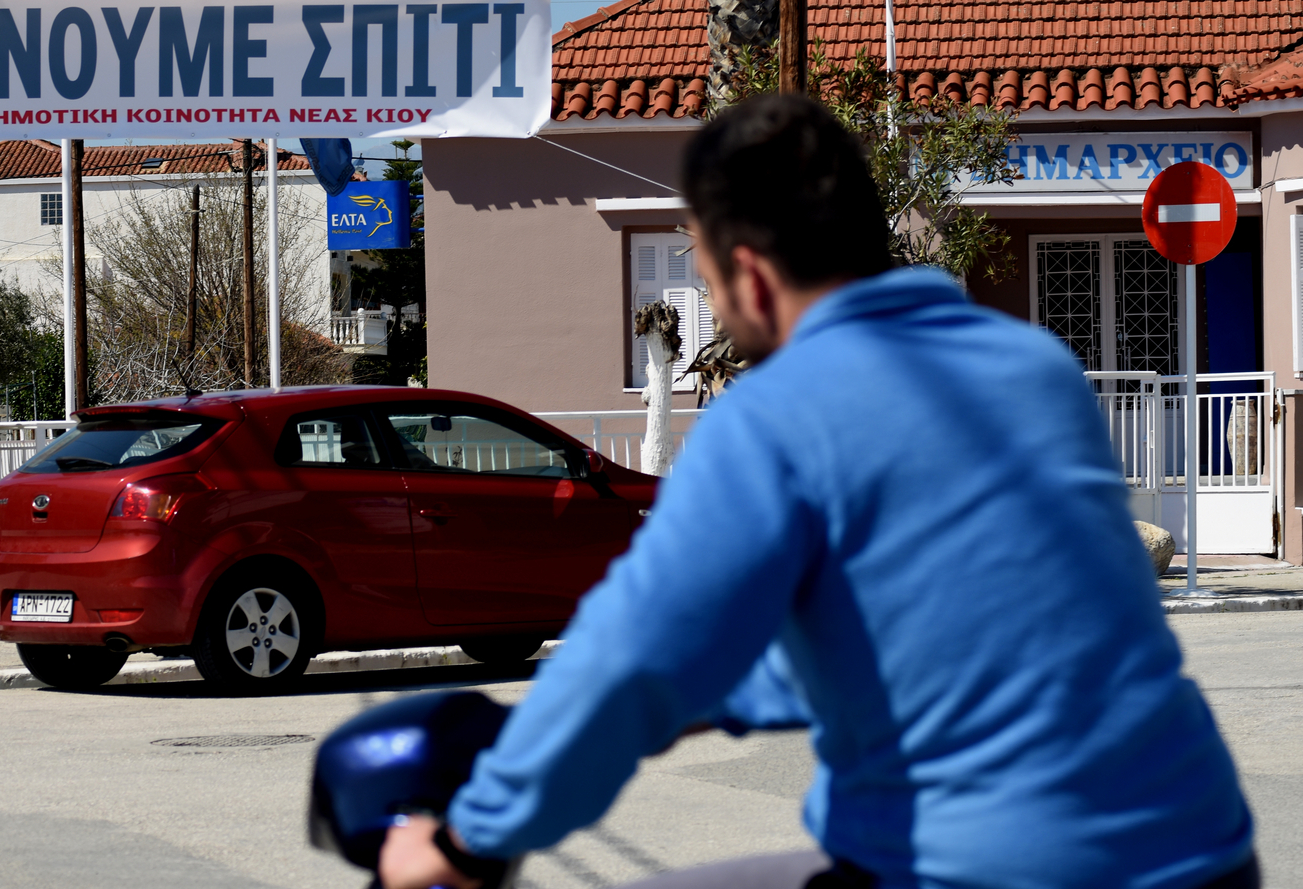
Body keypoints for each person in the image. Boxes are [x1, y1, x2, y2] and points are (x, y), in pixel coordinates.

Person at [378, 95, 1256, 889]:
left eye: (710, 288)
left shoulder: (773, 417)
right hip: (1204, 850)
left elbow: (635, 659)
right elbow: (925, 633)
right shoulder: (1032, 367)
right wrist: (707, 699)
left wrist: (464, 842)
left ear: (752, 280)